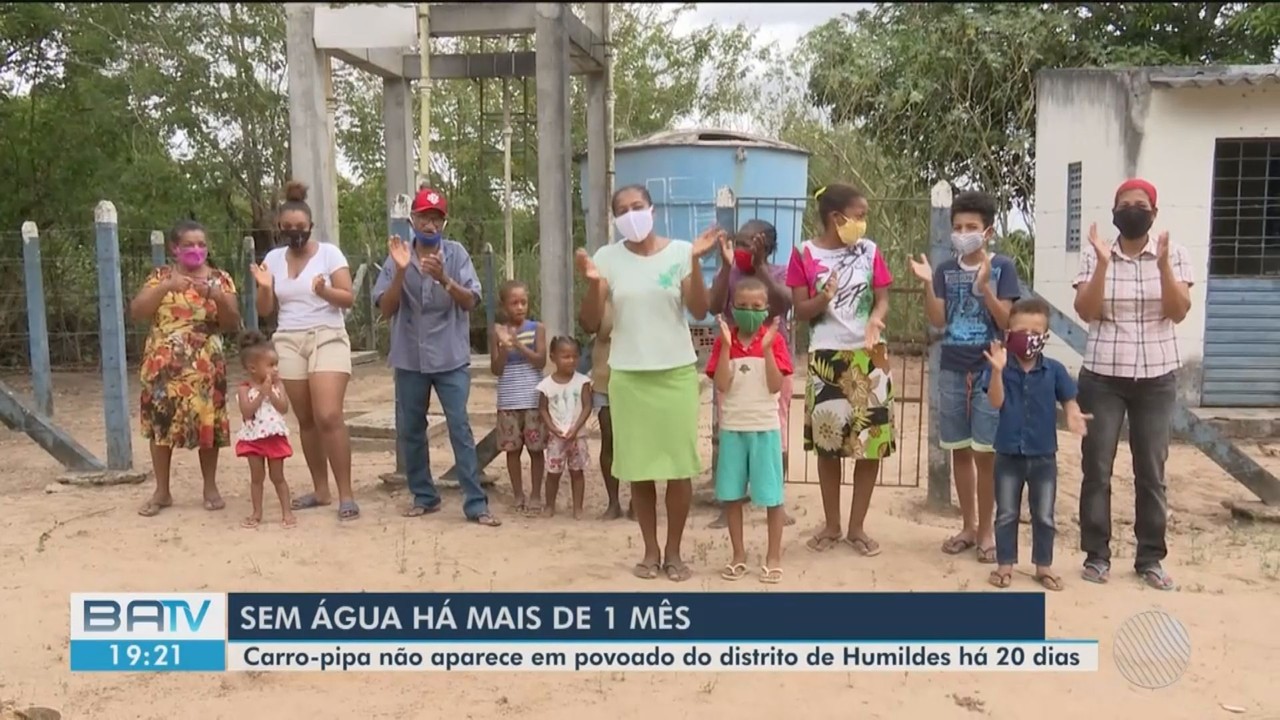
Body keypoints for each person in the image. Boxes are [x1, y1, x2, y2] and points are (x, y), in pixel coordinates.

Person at [576, 183, 718, 582]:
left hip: (674, 374)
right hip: (628, 377)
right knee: (636, 468)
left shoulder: (679, 253)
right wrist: (591, 282)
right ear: (616, 219)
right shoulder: (607, 258)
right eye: (622, 210)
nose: (631, 215)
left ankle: (673, 552)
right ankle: (650, 551)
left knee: (677, 467)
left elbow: (699, 309)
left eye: (637, 206)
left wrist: (694, 262)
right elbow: (589, 322)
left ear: (652, 209)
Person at [1072, 178, 1192, 591]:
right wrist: (1104, 264)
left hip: (1156, 379)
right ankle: (1096, 555)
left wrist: (1162, 268)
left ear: (1153, 213)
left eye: (1140, 204)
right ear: (1114, 212)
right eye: (1125, 204)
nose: (1133, 210)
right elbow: (1087, 311)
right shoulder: (1095, 254)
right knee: (1097, 467)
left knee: (1152, 471)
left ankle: (1150, 558)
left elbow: (1177, 312)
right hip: (1103, 377)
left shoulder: (1174, 253)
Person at [373, 187, 500, 527]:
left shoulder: (456, 255)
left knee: (459, 427)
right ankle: (424, 496)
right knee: (412, 429)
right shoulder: (397, 254)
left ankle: (476, 503)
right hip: (409, 358)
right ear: (412, 219)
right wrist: (401, 271)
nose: (429, 225)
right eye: (423, 218)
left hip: (450, 358)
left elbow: (471, 301)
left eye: (436, 219)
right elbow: (386, 308)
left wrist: (443, 278)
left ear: (444, 223)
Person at [908, 190, 1021, 564]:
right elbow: (938, 320)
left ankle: (988, 530)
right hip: (953, 368)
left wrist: (985, 286)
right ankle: (969, 527)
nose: (963, 233)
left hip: (990, 370)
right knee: (958, 448)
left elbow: (1007, 322)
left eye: (971, 227)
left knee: (985, 453)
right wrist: (927, 282)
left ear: (988, 231)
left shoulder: (1003, 266)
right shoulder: (944, 270)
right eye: (957, 227)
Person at [786, 183, 895, 556]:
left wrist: (875, 322)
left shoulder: (870, 251)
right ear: (837, 218)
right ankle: (832, 525)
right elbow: (800, 310)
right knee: (829, 447)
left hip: (870, 356)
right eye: (859, 215)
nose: (863, 223)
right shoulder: (804, 254)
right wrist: (823, 298)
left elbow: (882, 300)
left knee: (870, 448)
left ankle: (856, 527)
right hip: (826, 357)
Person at [249, 181, 358, 521]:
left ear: (310, 227)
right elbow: (266, 309)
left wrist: (324, 291)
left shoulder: (329, 253)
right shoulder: (272, 258)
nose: (294, 233)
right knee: (307, 419)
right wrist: (265, 287)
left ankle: (346, 494)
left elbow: (348, 298)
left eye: (300, 228)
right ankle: (321, 489)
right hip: (289, 338)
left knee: (329, 415)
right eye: (288, 228)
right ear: (279, 228)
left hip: (327, 334)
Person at [980, 299, 1091, 591]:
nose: (1028, 336)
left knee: (1044, 514)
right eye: (1021, 330)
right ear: (1008, 333)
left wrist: (1073, 414)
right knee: (1006, 513)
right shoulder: (999, 365)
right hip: (1007, 453)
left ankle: (1044, 566)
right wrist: (995, 372)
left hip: (1044, 456)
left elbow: (1068, 399)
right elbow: (995, 402)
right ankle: (1005, 565)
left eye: (1035, 330)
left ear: (1045, 335)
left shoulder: (1054, 370)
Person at [131, 220, 240, 517]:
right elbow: (138, 312)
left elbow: (233, 324)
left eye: (201, 244)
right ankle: (162, 491)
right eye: (189, 245)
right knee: (160, 426)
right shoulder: (160, 276)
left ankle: (210, 487)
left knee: (208, 424)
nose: (196, 250)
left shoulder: (220, 279)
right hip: (162, 366)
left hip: (205, 366)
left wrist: (217, 297)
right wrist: (166, 287)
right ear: (174, 249)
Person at [707, 219, 796, 530]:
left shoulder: (779, 272)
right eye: (740, 243)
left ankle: (776, 501)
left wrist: (758, 269)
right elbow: (713, 305)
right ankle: (730, 501)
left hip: (771, 358)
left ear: (768, 248)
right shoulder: (730, 274)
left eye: (751, 244)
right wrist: (724, 267)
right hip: (734, 359)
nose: (744, 249)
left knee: (776, 427)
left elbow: (783, 304)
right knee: (730, 425)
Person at [708, 278, 793, 584]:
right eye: (742, 306)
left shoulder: (775, 341)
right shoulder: (724, 341)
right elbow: (721, 384)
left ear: (766, 310)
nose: (749, 312)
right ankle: (738, 554)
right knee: (732, 496)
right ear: (732, 308)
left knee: (772, 497)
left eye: (756, 307)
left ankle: (773, 556)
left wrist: (768, 349)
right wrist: (728, 348)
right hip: (733, 430)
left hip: (765, 430)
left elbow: (774, 385)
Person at [491, 280, 547, 515]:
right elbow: (496, 369)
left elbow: (541, 361)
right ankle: (518, 494)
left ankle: (535, 494)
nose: (520, 307)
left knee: (536, 450)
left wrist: (519, 346)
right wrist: (504, 346)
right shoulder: (497, 331)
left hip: (533, 399)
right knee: (512, 450)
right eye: (514, 303)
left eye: (523, 302)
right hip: (509, 400)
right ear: (504, 306)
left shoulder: (538, 329)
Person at [234, 331, 296, 530]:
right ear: (253, 368)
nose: (276, 369)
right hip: (253, 438)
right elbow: (247, 412)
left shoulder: (278, 385)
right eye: (270, 365)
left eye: (276, 364)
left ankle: (287, 511)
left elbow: (284, 408)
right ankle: (257, 512)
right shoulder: (244, 389)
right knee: (256, 478)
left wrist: (272, 393)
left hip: (273, 437)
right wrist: (262, 393)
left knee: (278, 477)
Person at [582, 299, 630, 520]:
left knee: (636, 441)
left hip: (638, 375)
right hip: (605, 376)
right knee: (609, 438)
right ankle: (613, 502)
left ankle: (638, 501)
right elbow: (587, 324)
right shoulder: (603, 296)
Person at [537, 337, 593, 519]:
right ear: (553, 357)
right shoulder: (546, 385)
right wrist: (552, 428)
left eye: (574, 356)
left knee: (577, 473)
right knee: (553, 474)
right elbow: (542, 409)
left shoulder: (583, 381)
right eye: (565, 356)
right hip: (556, 438)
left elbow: (587, 406)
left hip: (578, 436)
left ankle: (578, 508)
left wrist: (576, 429)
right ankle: (549, 505)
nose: (571, 360)